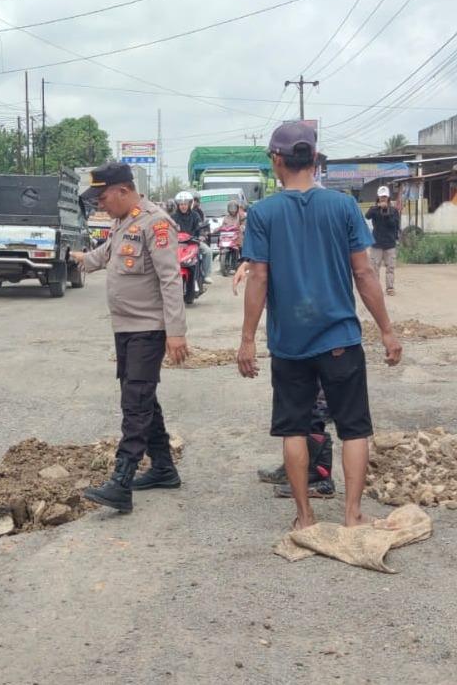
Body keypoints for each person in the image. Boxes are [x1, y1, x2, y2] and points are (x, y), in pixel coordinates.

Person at [237, 121, 402, 530]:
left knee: (293, 427)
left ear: (278, 160)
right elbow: (364, 274)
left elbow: (258, 278)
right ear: (313, 158)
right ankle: (352, 515)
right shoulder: (344, 206)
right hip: (340, 339)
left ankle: (305, 518)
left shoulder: (262, 213)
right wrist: (386, 329)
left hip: (290, 343)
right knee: (354, 428)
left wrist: (246, 341)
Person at [69, 162, 189, 513]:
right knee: (142, 397)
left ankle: (122, 481)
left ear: (123, 190)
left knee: (134, 401)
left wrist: (176, 332)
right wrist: (73, 259)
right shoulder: (124, 221)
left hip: (148, 329)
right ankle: (164, 468)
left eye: (103, 197)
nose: (100, 205)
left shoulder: (156, 223)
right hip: (125, 329)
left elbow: (170, 279)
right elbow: (103, 256)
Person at [233, 261, 336, 499]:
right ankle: (295, 467)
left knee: (312, 399)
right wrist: (250, 263)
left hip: (309, 314)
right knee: (293, 401)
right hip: (288, 317)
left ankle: (318, 475)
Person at [172, 191, 213, 284]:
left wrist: (202, 235)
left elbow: (200, 226)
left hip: (193, 242)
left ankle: (206, 275)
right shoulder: (173, 217)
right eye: (181, 204)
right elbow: (168, 229)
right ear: (178, 205)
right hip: (177, 244)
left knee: (208, 251)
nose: (183, 206)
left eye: (185, 204)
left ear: (189, 204)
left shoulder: (195, 215)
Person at [366, 186, 401, 296]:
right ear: (378, 197)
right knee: (374, 268)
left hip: (390, 244)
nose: (383, 199)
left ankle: (390, 288)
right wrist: (377, 208)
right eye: (381, 197)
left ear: (388, 197)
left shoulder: (394, 211)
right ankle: (376, 289)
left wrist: (387, 212)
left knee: (390, 267)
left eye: (385, 196)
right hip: (376, 244)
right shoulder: (374, 209)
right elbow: (367, 216)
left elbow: (394, 225)